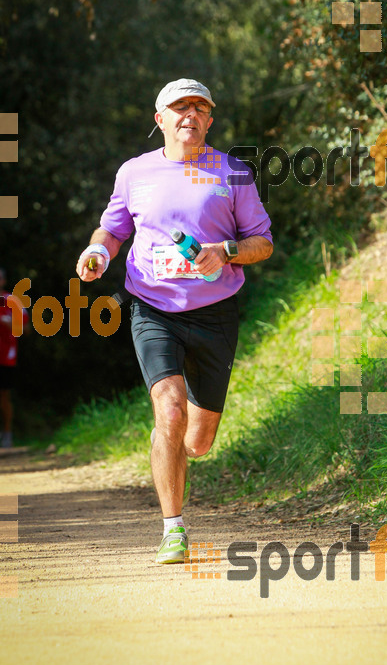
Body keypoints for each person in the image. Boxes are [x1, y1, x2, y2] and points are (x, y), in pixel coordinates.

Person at [76, 78, 273, 564]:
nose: (190, 115)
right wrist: (99, 250)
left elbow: (262, 243)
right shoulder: (134, 173)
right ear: (159, 118)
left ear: (209, 120)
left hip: (214, 313)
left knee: (198, 441)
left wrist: (224, 251)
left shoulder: (233, 173)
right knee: (168, 410)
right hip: (152, 307)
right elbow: (114, 227)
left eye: (200, 108)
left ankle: (181, 449)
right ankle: (173, 529)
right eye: (179, 107)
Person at [0, 267, 30, 448]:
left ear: (3, 281)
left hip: (6, 356)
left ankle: (7, 433)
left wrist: (11, 323)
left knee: (4, 396)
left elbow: (27, 330)